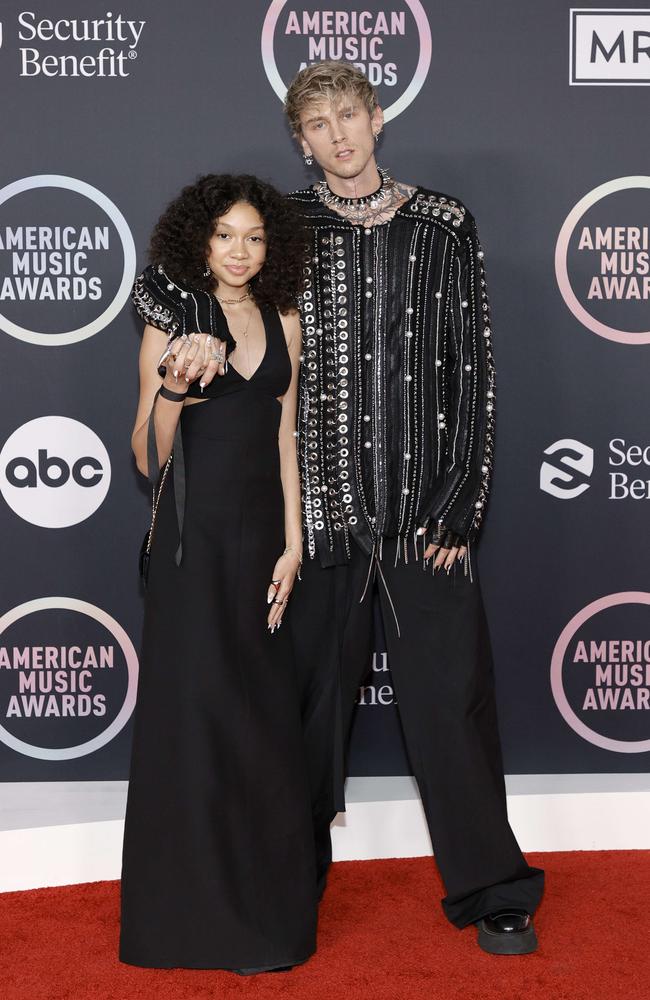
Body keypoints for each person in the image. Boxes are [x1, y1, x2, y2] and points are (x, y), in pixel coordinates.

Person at [283, 62, 545, 955]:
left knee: (453, 707)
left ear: (378, 117)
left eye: (348, 114)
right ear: (302, 140)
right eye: (318, 124)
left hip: (425, 518)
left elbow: (473, 368)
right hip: (322, 517)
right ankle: (282, 892)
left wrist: (461, 504)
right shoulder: (283, 228)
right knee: (305, 717)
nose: (339, 134)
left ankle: (494, 888)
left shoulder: (443, 223)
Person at [119, 174, 317, 972]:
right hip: (190, 546)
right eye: (225, 235)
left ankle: (262, 915)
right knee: (194, 721)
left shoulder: (285, 319)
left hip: (263, 543)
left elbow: (286, 440)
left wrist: (295, 544)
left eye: (255, 237)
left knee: (263, 725)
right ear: (199, 240)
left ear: (273, 248)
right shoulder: (173, 326)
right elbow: (144, 454)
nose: (240, 252)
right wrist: (172, 385)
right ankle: (184, 927)